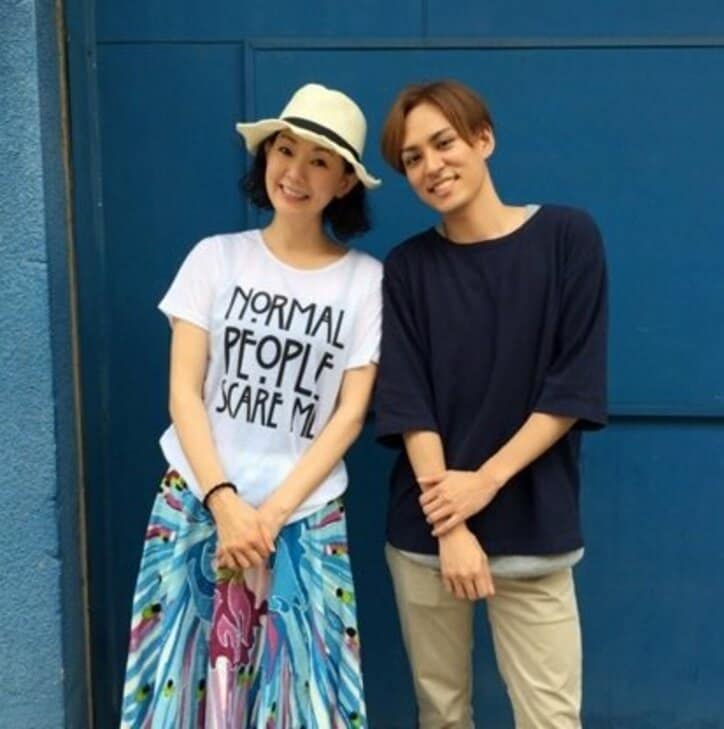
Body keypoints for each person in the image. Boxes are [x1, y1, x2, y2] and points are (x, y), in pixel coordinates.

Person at [120, 83, 382, 728]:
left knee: (305, 702)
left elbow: (350, 414)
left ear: (345, 182)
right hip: (197, 504)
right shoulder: (215, 258)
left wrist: (268, 519)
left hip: (304, 519)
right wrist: (225, 503)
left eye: (319, 161)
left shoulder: (366, 281)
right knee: (182, 690)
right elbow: (184, 392)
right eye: (284, 151)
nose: (295, 172)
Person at [375, 80, 608, 728]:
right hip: (427, 534)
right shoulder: (407, 268)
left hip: (533, 527)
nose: (431, 166)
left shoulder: (567, 237)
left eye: (443, 143)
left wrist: (485, 481)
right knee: (443, 714)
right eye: (413, 158)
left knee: (550, 719)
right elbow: (407, 402)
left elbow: (572, 386)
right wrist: (451, 528)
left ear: (483, 139)